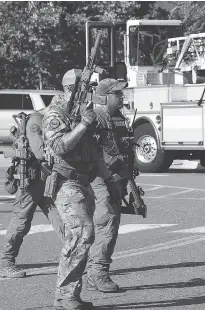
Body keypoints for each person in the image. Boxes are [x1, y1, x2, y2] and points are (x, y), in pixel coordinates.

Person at [42, 68, 109, 310]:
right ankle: (63, 296)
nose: (90, 93)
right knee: (82, 234)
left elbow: (96, 148)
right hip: (65, 182)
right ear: (71, 89)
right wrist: (82, 124)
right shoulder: (55, 112)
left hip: (84, 182)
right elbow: (59, 146)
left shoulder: (83, 110)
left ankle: (70, 294)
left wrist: (108, 178)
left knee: (82, 238)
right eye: (86, 88)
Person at [0, 108, 65, 278]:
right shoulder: (36, 121)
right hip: (32, 181)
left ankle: (74, 257)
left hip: (46, 180)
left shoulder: (47, 120)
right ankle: (6, 262)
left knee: (61, 218)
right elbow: (39, 152)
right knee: (21, 222)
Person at [84, 78, 129, 293]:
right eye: (117, 94)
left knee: (111, 224)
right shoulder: (96, 119)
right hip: (100, 178)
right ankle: (98, 274)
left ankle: (95, 272)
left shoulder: (118, 117)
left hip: (118, 178)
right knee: (106, 223)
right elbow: (93, 152)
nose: (121, 97)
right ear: (104, 97)